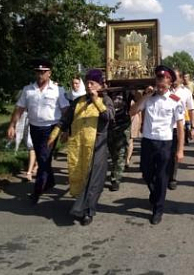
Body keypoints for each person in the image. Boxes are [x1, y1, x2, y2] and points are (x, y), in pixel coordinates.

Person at [48, 69, 114, 225]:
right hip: (79, 146)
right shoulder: (79, 101)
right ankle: (82, 205)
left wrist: (97, 100)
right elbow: (65, 119)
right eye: (88, 83)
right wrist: (54, 135)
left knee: (94, 180)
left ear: (100, 85)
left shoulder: (106, 100)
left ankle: (87, 211)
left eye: (92, 83)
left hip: (97, 146)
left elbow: (108, 116)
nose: (89, 86)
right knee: (81, 175)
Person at [7, 59, 70, 204]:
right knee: (44, 159)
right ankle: (50, 181)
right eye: (38, 72)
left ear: (49, 73)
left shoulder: (57, 90)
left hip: (51, 128)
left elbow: (66, 111)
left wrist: (66, 129)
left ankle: (37, 191)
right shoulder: (28, 90)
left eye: (43, 72)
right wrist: (12, 125)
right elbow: (19, 109)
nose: (40, 75)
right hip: (34, 128)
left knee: (42, 158)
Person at [129, 65, 185, 225]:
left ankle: (158, 209)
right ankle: (155, 194)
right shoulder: (149, 97)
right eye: (158, 84)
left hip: (165, 142)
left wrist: (180, 150)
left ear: (169, 84)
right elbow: (132, 112)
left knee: (161, 177)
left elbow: (180, 127)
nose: (160, 88)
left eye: (163, 85)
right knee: (146, 173)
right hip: (148, 141)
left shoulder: (175, 101)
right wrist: (145, 95)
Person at [167, 69, 194, 190]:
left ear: (181, 78)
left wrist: (193, 127)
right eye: (171, 77)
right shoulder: (164, 90)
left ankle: (172, 178)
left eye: (175, 77)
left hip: (178, 128)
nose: (173, 79)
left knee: (174, 154)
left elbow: (191, 109)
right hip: (164, 127)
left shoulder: (186, 92)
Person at [107, 87, 135, 191]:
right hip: (109, 124)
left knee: (120, 153)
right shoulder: (108, 88)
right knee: (112, 152)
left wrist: (142, 91)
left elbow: (138, 99)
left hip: (123, 124)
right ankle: (115, 169)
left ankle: (115, 179)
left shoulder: (127, 89)